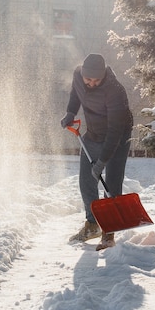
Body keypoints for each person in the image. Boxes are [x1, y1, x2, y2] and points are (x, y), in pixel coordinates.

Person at [60, 53, 133, 250]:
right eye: (88, 79)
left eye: (96, 80)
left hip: (118, 135)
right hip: (93, 132)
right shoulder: (78, 76)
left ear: (103, 76)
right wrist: (70, 112)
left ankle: (109, 231)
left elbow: (115, 132)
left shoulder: (115, 91)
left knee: (112, 182)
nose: (91, 83)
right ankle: (93, 224)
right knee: (86, 179)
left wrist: (102, 162)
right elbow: (76, 92)